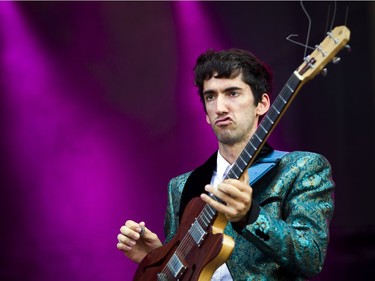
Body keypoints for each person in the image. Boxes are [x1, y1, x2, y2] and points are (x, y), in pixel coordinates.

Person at [117, 49, 334, 280]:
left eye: (232, 93)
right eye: (211, 96)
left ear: (261, 104)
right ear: (207, 115)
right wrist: (156, 259)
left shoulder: (300, 167)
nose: (220, 107)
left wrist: (250, 216)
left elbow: (311, 257)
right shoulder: (181, 186)